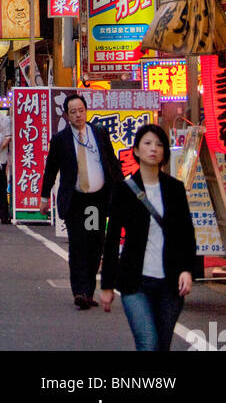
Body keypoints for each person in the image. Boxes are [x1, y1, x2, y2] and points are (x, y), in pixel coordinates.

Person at [101, 124, 196, 352]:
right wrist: (106, 285)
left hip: (170, 283)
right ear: (136, 150)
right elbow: (112, 239)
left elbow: (186, 234)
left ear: (164, 152)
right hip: (135, 283)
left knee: (162, 345)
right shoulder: (124, 190)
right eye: (148, 143)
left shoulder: (175, 189)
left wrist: (187, 270)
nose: (154, 148)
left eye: (159, 144)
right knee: (148, 343)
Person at [39, 92, 121, 309]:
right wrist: (44, 197)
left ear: (86, 111)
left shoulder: (100, 133)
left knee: (94, 244)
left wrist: (122, 189)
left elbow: (111, 163)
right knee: (77, 245)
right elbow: (51, 169)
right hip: (75, 199)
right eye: (73, 112)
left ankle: (89, 291)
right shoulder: (61, 140)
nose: (78, 115)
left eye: (81, 110)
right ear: (66, 115)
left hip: (96, 200)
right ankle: (80, 292)